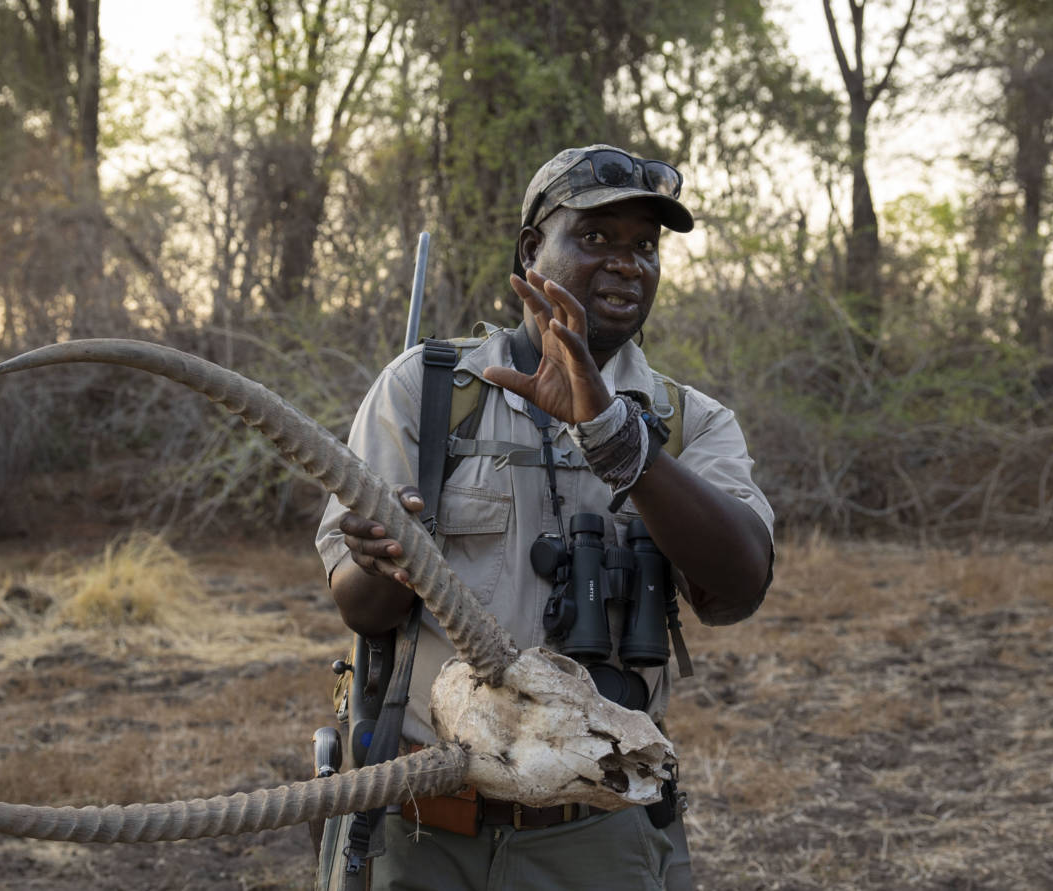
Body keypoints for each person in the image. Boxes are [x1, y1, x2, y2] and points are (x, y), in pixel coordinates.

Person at [315, 144, 775, 890]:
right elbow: (361, 608)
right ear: (533, 250)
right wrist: (384, 558)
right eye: (595, 238)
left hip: (596, 835)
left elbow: (738, 588)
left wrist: (623, 446)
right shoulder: (427, 390)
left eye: (644, 247)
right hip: (424, 825)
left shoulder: (689, 422)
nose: (627, 263)